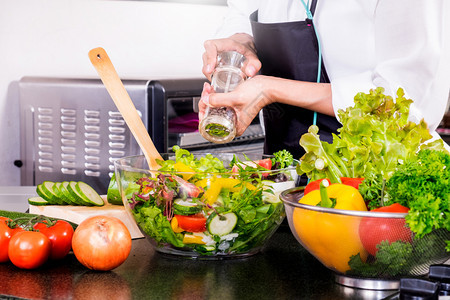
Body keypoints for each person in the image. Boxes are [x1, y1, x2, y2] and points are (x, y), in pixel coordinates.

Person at [198, 0, 450, 159]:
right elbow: (242, 10)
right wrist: (241, 41)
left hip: (381, 190)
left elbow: (401, 101)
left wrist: (268, 89)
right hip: (287, 183)